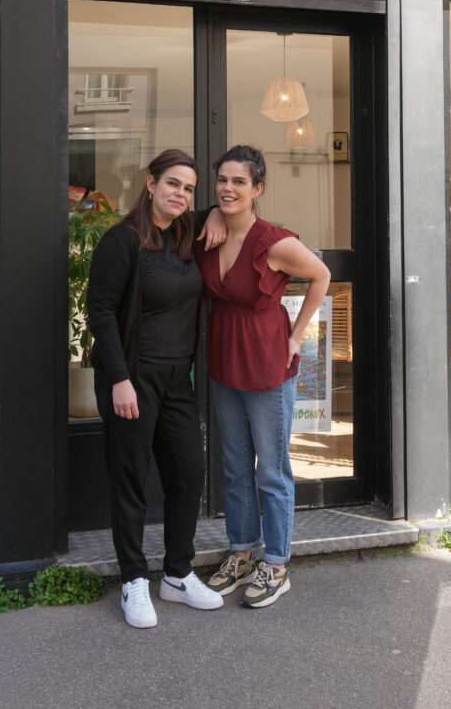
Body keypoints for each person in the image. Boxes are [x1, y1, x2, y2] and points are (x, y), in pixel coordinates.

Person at [87, 149, 226, 628]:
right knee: (130, 478)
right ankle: (132, 579)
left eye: (188, 189)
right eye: (172, 184)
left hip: (176, 379)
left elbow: (223, 210)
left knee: (189, 471)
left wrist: (216, 214)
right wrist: (119, 380)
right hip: (133, 376)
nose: (180, 194)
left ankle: (177, 574)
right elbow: (101, 313)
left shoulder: (186, 236)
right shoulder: (122, 241)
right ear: (150, 184)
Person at [199, 144, 331, 608]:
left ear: (258, 188)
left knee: (271, 472)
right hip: (225, 362)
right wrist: (213, 213)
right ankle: (241, 554)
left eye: (239, 181)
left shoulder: (273, 242)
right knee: (235, 467)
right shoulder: (211, 231)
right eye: (222, 180)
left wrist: (297, 336)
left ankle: (275, 564)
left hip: (266, 364)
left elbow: (321, 275)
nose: (228, 188)